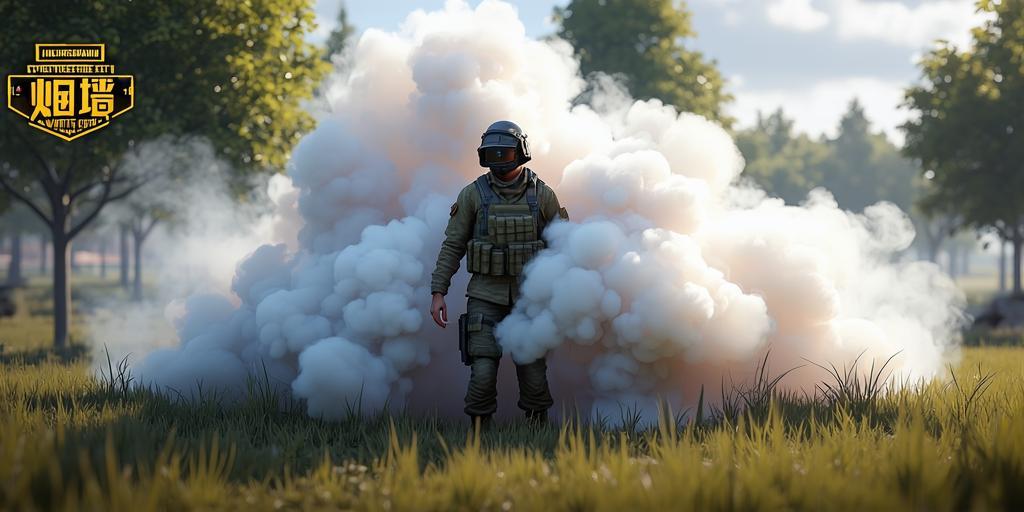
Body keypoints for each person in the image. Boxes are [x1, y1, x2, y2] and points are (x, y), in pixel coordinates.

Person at [429, 120, 569, 430]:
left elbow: (564, 245)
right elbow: (453, 245)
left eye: (504, 154)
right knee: (482, 370)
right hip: (484, 293)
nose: (498, 162)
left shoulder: (542, 195)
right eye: (491, 155)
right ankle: (480, 438)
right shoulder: (473, 195)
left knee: (533, 371)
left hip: (529, 296)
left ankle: (537, 434)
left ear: (520, 153)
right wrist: (438, 291)